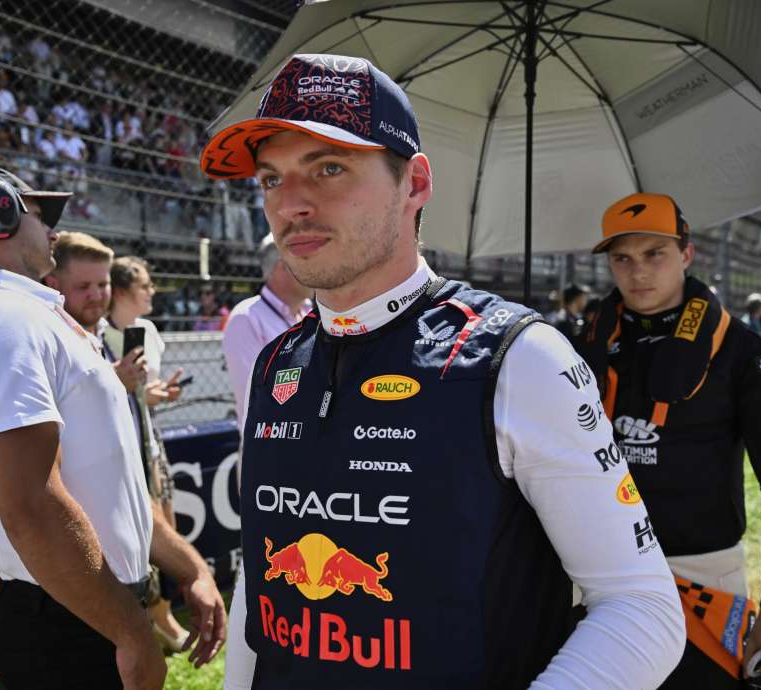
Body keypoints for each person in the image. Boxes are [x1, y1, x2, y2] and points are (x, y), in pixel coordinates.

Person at [200, 52, 684, 690]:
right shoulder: (275, 362)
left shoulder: (517, 356)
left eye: (330, 168)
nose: (290, 204)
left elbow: (642, 608)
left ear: (416, 183)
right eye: (270, 179)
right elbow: (261, 595)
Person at [0, 159, 225, 690]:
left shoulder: (27, 317)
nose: (54, 230)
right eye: (42, 213)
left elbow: (112, 488)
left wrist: (191, 568)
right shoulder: (1, 320)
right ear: (3, 210)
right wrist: (132, 632)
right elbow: (32, 507)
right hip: (73, 622)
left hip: (85, 611)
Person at [578, 192, 761, 689]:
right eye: (622, 258)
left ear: (686, 254)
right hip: (599, 568)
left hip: (703, 575)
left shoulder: (742, 349)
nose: (637, 272)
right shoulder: (588, 341)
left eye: (654, 254)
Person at [43, 234, 192, 654]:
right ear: (55, 284)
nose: (96, 296)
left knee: (154, 534)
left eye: (102, 285)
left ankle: (150, 622)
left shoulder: (108, 334)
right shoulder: (49, 336)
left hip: (139, 452)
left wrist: (143, 390)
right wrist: (114, 379)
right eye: (84, 287)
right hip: (82, 485)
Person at [221, 233, 312, 431]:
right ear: (281, 267)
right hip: (272, 449)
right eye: (305, 258)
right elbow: (257, 400)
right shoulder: (245, 318)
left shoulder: (311, 312)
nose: (314, 265)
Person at [550, 282, 590, 347]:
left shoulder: (575, 319)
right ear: (578, 298)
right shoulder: (562, 321)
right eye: (584, 297)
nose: (586, 301)